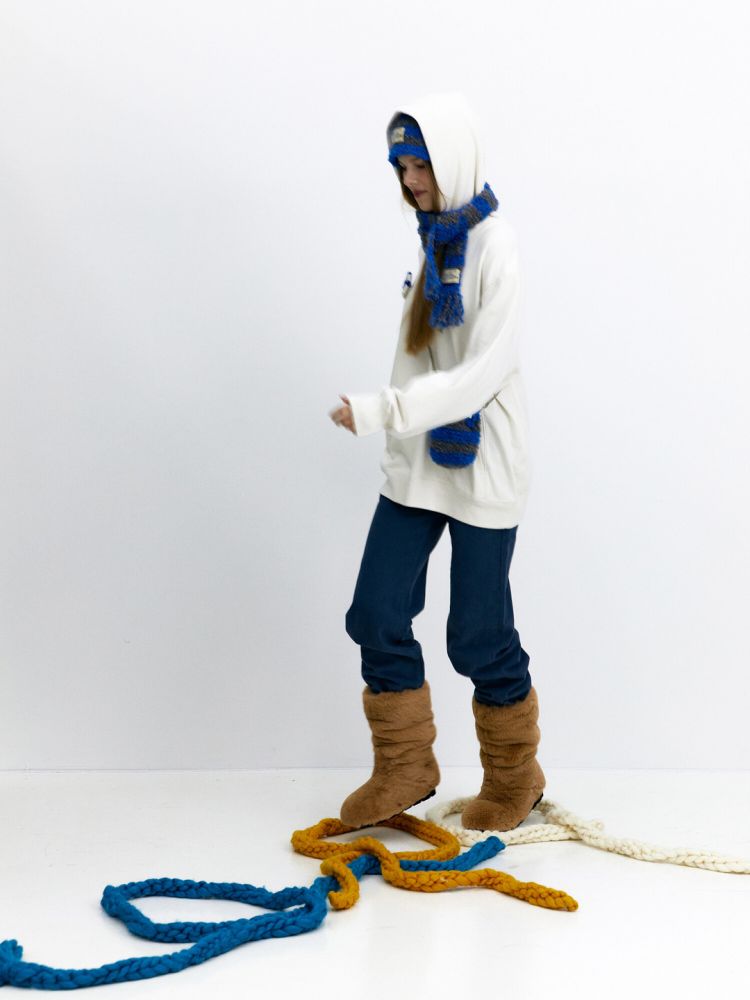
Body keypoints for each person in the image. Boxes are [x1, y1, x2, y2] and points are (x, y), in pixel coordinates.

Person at [329, 91, 544, 833]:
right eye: (401, 167)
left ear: (452, 159)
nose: (411, 181)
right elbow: (419, 356)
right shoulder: (432, 242)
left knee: (477, 634)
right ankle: (405, 766)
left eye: (421, 165)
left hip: (484, 464)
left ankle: (515, 776)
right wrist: (397, 429)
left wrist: (383, 410)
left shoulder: (495, 245)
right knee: (375, 611)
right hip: (421, 459)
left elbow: (482, 372)